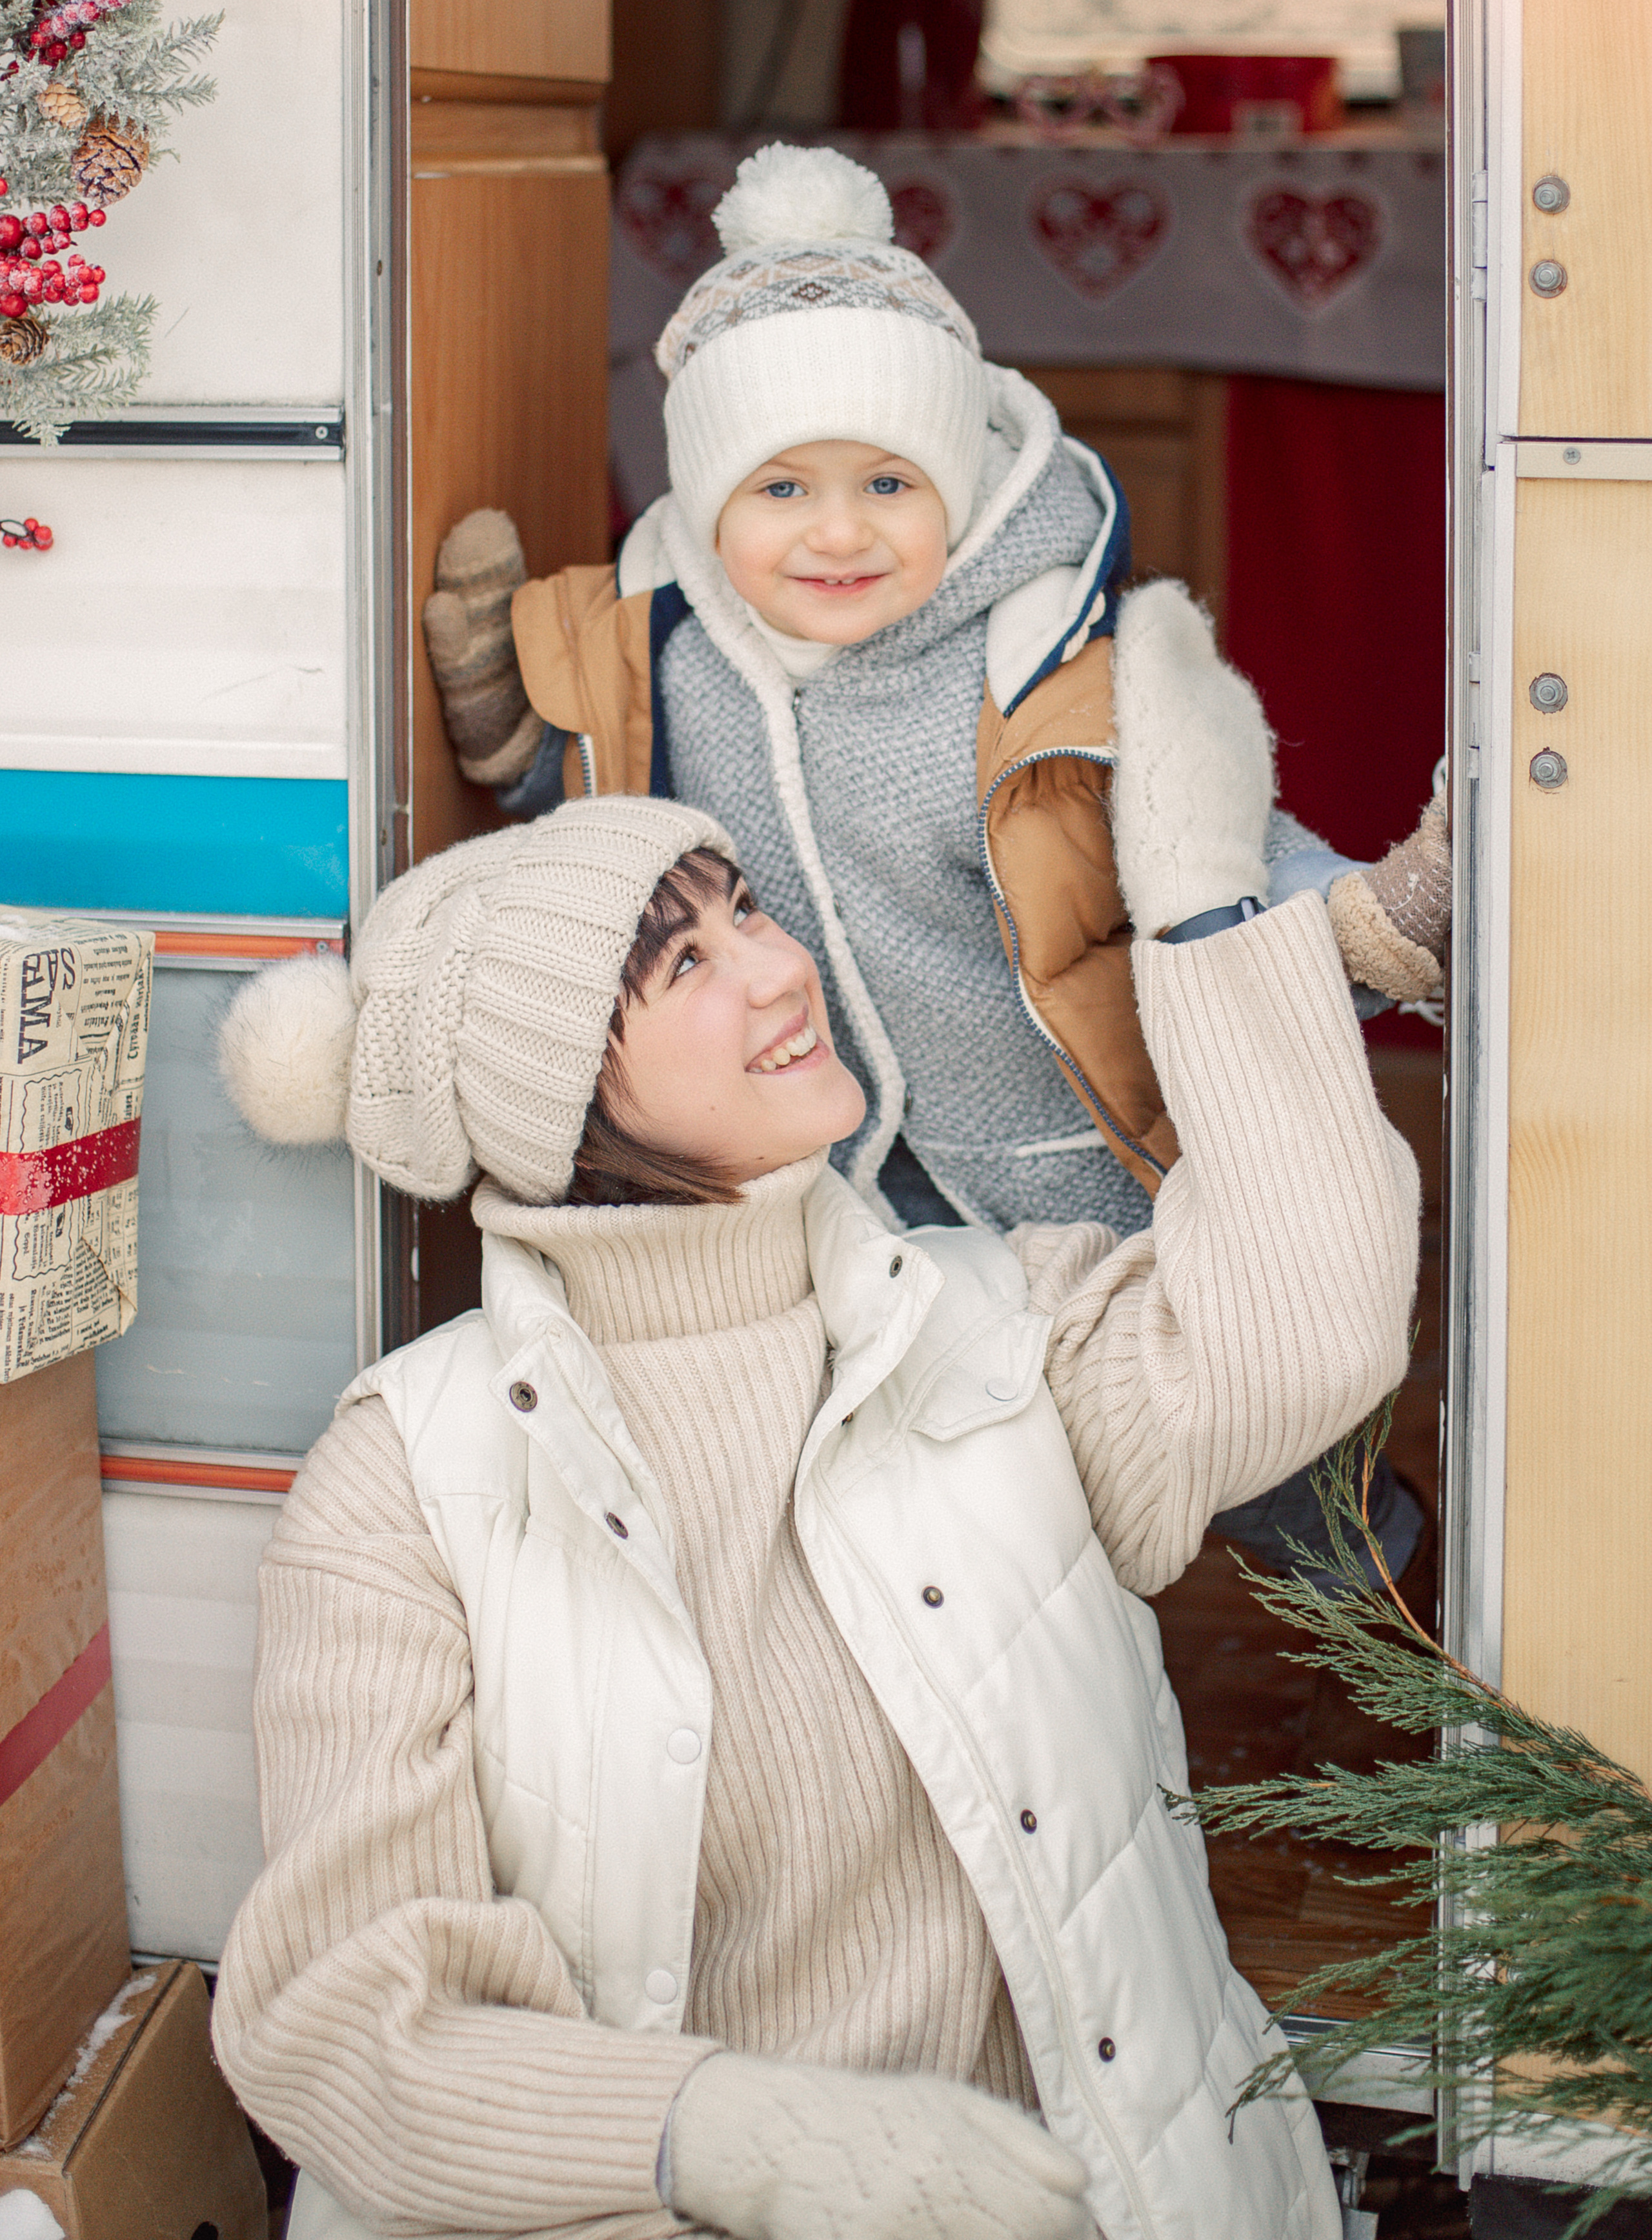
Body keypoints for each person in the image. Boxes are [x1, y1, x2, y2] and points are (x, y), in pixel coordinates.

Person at [210, 616, 1420, 2240]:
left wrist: (1203, 913)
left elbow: (1313, 1320)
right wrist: (725, 2137)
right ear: (558, 1097)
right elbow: (342, 2024)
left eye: (749, 909)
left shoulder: (997, 1326)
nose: (781, 970)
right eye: (684, 966)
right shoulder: (408, 1485)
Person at [423, 139, 1446, 1591]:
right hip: (831, 1177)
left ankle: (1401, 1645)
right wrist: (509, 732)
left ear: (956, 486)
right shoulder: (666, 649)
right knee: (944, 1491)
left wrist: (1354, 918)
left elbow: (1192, 839)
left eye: (888, 482)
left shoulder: (1034, 663)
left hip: (1076, 1166)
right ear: (709, 498)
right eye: (780, 487)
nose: (837, 532)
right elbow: (598, 805)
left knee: (1262, 1457)